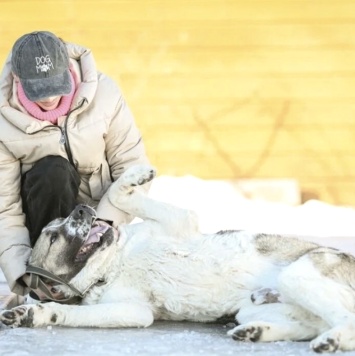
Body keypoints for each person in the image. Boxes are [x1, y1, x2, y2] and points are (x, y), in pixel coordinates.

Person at [0, 31, 150, 297]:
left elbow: (132, 168)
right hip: (46, 229)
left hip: (100, 217)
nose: (48, 98)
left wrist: (105, 225)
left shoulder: (105, 94)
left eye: (55, 85)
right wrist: (22, 274)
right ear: (17, 79)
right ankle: (50, 275)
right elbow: (5, 208)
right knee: (52, 171)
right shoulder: (3, 122)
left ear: (68, 68)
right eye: (38, 89)